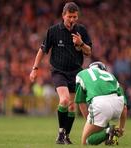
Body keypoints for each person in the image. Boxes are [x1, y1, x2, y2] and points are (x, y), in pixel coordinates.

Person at [29, 2, 92, 144]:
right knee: (64, 100)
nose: (72, 19)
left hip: (76, 73)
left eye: (75, 16)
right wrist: (34, 69)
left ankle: (66, 136)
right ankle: (61, 133)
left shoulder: (81, 30)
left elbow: (89, 52)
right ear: (63, 15)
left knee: (72, 107)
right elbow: (42, 50)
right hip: (59, 71)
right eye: (69, 16)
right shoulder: (53, 31)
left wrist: (81, 44)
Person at [75, 61, 127, 145]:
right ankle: (109, 133)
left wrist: (89, 121)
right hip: (118, 102)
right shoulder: (112, 76)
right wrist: (121, 128)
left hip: (100, 103)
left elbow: (81, 103)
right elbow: (124, 108)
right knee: (102, 127)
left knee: (85, 141)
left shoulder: (82, 74)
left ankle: (108, 131)